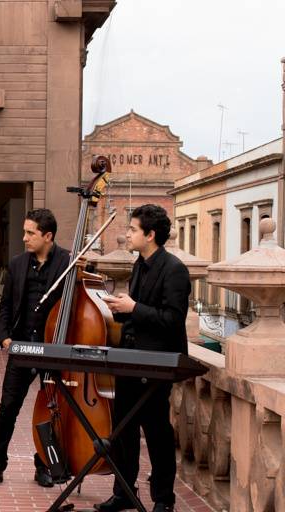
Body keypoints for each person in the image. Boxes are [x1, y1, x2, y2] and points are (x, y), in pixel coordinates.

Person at [96, 204, 190, 512]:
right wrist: (118, 310)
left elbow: (173, 320)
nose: (128, 233)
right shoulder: (138, 265)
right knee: (124, 429)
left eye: (133, 229)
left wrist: (133, 308)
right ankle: (124, 492)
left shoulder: (174, 269)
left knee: (157, 431)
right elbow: (137, 314)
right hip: (130, 359)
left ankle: (164, 500)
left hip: (157, 363)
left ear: (150, 235)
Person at [0, 208, 71, 489]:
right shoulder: (18, 264)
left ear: (48, 236)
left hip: (52, 348)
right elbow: (5, 306)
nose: (24, 238)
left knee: (51, 410)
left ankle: (44, 465)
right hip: (21, 345)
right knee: (7, 407)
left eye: (30, 233)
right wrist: (5, 337)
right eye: (25, 232)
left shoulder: (68, 263)